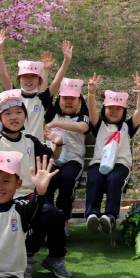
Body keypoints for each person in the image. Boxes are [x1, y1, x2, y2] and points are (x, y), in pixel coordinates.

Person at [0, 89, 71, 278]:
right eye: (7, 113)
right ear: (0, 118)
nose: (13, 117)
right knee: (44, 212)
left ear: (25, 115)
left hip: (30, 196)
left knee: (56, 214)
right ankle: (26, 260)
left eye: (18, 112)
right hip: (6, 198)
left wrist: (58, 144)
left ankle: (55, 258)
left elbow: (52, 156)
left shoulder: (31, 141)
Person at [85, 74, 140, 235]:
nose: (114, 111)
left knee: (113, 179)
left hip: (120, 165)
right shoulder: (99, 125)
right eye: (110, 108)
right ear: (104, 109)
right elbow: (91, 110)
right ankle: (92, 214)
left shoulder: (127, 126)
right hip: (99, 163)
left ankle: (110, 216)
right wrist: (91, 93)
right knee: (95, 178)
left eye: (118, 108)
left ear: (124, 111)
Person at [0, 29, 73, 142]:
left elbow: (56, 81)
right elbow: (3, 74)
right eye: (25, 76)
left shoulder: (42, 99)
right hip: (15, 147)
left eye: (33, 77)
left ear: (40, 81)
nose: (29, 80)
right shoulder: (14, 96)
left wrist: (66, 61)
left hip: (36, 151)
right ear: (19, 79)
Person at [43, 78, 91, 232]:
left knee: (67, 179)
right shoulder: (52, 114)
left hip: (73, 161)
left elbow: (81, 127)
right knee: (48, 181)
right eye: (65, 98)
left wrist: (56, 124)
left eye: (73, 99)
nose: (69, 102)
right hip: (54, 159)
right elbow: (44, 95)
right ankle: (47, 218)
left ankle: (63, 219)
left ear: (79, 101)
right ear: (59, 99)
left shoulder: (82, 117)